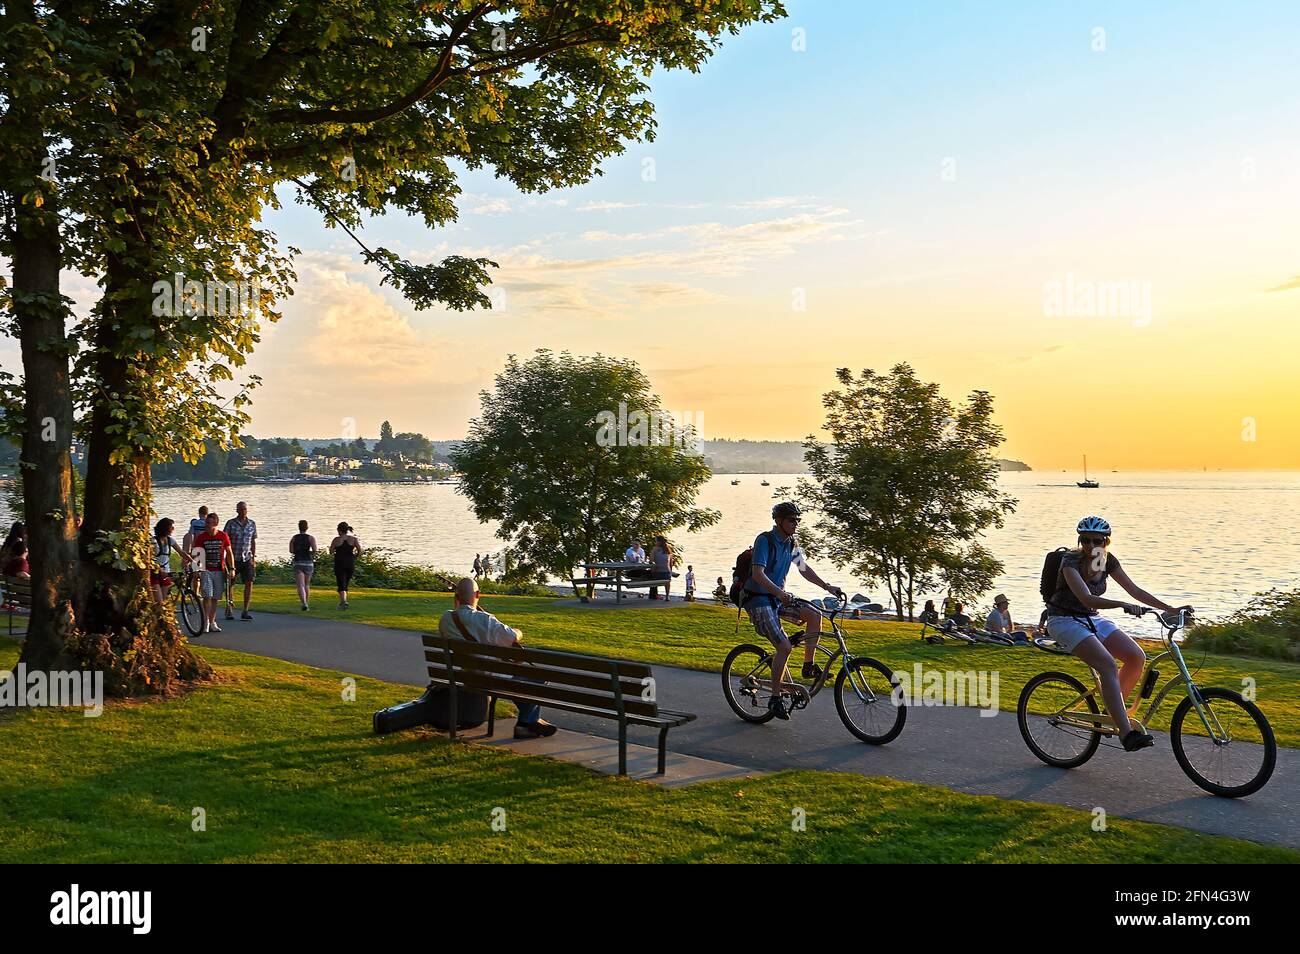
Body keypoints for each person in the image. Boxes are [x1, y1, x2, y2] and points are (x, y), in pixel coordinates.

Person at [1045, 515, 1192, 753]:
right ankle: (1126, 734)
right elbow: (1086, 598)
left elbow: (1134, 590)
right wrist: (1121, 605)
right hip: (1063, 620)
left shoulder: (1105, 561)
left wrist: (1171, 609)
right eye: (1085, 540)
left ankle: (1113, 713)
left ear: (1106, 542)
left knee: (1136, 656)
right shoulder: (1069, 561)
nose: (1090, 546)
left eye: (1096, 541)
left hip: (1091, 618)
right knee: (1107, 665)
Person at [741, 501, 844, 720]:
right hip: (759, 601)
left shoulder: (791, 543)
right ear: (779, 521)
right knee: (785, 647)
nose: (795, 524)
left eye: (797, 520)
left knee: (815, 615)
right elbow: (758, 574)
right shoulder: (764, 540)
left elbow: (804, 569)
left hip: (778, 600)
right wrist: (779, 593)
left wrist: (827, 586)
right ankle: (775, 698)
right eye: (791, 520)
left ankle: (808, 666)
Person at [438, 577, 557, 739]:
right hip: (493, 678)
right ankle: (526, 723)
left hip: (468, 676)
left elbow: (458, 616)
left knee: (524, 680)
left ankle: (530, 721)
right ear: (478, 594)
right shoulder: (484, 619)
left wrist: (459, 604)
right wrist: (518, 631)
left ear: (456, 597)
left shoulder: (446, 619)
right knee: (539, 677)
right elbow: (511, 636)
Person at [192, 512, 234, 634]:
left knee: (215, 597)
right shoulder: (201, 537)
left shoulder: (223, 536)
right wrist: (195, 569)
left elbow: (229, 552)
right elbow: (196, 553)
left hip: (219, 570)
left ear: (215, 524)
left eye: (209, 523)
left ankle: (212, 621)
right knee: (207, 596)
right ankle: (205, 622)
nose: (206, 525)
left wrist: (232, 569)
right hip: (206, 570)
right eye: (206, 522)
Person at [223, 501, 257, 621]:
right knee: (230, 584)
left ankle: (245, 610)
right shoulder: (231, 524)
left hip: (246, 558)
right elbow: (224, 541)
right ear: (237, 510)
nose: (243, 511)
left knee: (249, 582)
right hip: (233, 558)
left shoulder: (252, 524)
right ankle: (229, 609)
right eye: (241, 509)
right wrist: (224, 557)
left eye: (245, 509)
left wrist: (253, 557)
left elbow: (253, 541)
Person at [149, 519, 187, 604]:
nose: (173, 529)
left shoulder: (170, 540)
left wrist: (192, 562)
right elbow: (149, 560)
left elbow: (181, 552)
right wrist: (159, 570)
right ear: (165, 528)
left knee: (164, 601)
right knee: (159, 601)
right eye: (171, 527)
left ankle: (160, 614)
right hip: (154, 573)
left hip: (166, 572)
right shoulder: (153, 541)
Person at [329, 522, 361, 609]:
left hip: (339, 563)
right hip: (350, 563)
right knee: (345, 583)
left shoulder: (336, 540)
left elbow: (331, 551)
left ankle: (343, 602)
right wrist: (355, 557)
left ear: (339, 530)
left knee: (341, 583)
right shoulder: (353, 539)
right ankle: (343, 601)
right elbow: (359, 550)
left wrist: (335, 552)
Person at [289, 521, 317, 611]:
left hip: (298, 562)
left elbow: (291, 550)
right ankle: (306, 603)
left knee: (300, 585)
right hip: (308, 562)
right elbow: (314, 549)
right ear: (307, 527)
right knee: (306, 584)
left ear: (299, 527)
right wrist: (309, 553)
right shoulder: (311, 538)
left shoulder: (294, 538)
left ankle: (304, 603)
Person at [648, 536, 672, 600]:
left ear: (659, 542)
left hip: (658, 572)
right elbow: (670, 562)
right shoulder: (668, 549)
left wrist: (652, 569)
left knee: (651, 576)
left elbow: (651, 561)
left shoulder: (655, 549)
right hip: (667, 572)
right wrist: (671, 571)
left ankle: (653, 595)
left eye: (656, 541)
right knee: (667, 582)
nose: (655, 542)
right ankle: (667, 595)